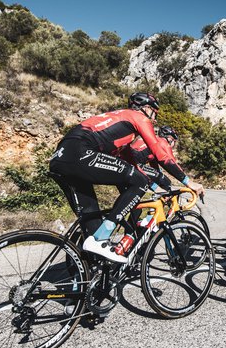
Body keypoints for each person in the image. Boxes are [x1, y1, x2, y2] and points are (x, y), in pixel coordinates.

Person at [49, 92, 204, 263]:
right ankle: (105, 234)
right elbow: (162, 156)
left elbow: (133, 164)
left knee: (92, 222)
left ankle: (86, 278)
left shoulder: (121, 121)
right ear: (146, 108)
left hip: (61, 157)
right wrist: (189, 182)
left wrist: (157, 189)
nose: (154, 119)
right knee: (140, 182)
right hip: (80, 151)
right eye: (154, 112)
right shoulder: (138, 117)